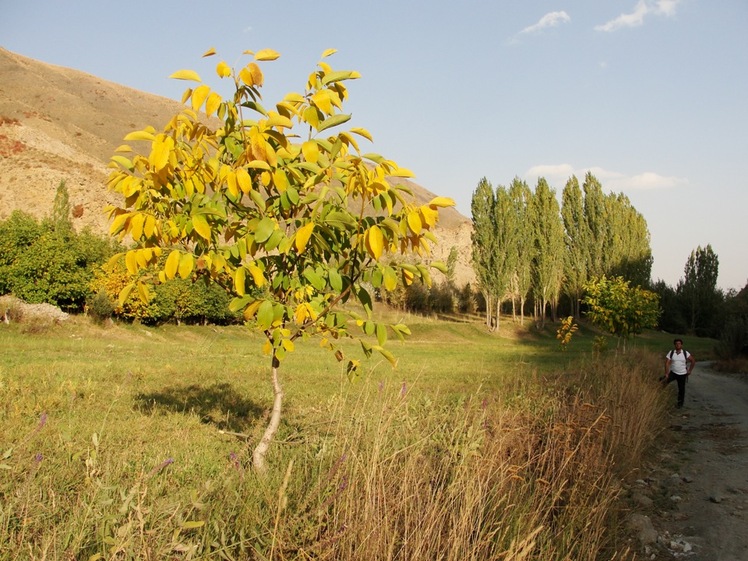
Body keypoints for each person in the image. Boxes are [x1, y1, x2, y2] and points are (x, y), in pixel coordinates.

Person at [662, 338, 696, 408]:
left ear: (681, 345)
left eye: (679, 344)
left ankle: (680, 404)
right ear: (674, 345)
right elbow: (667, 363)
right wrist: (666, 373)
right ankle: (659, 395)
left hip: (682, 374)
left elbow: (693, 361)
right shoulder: (671, 352)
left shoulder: (685, 353)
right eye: (676, 344)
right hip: (673, 373)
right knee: (663, 381)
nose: (678, 345)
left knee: (681, 389)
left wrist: (689, 370)